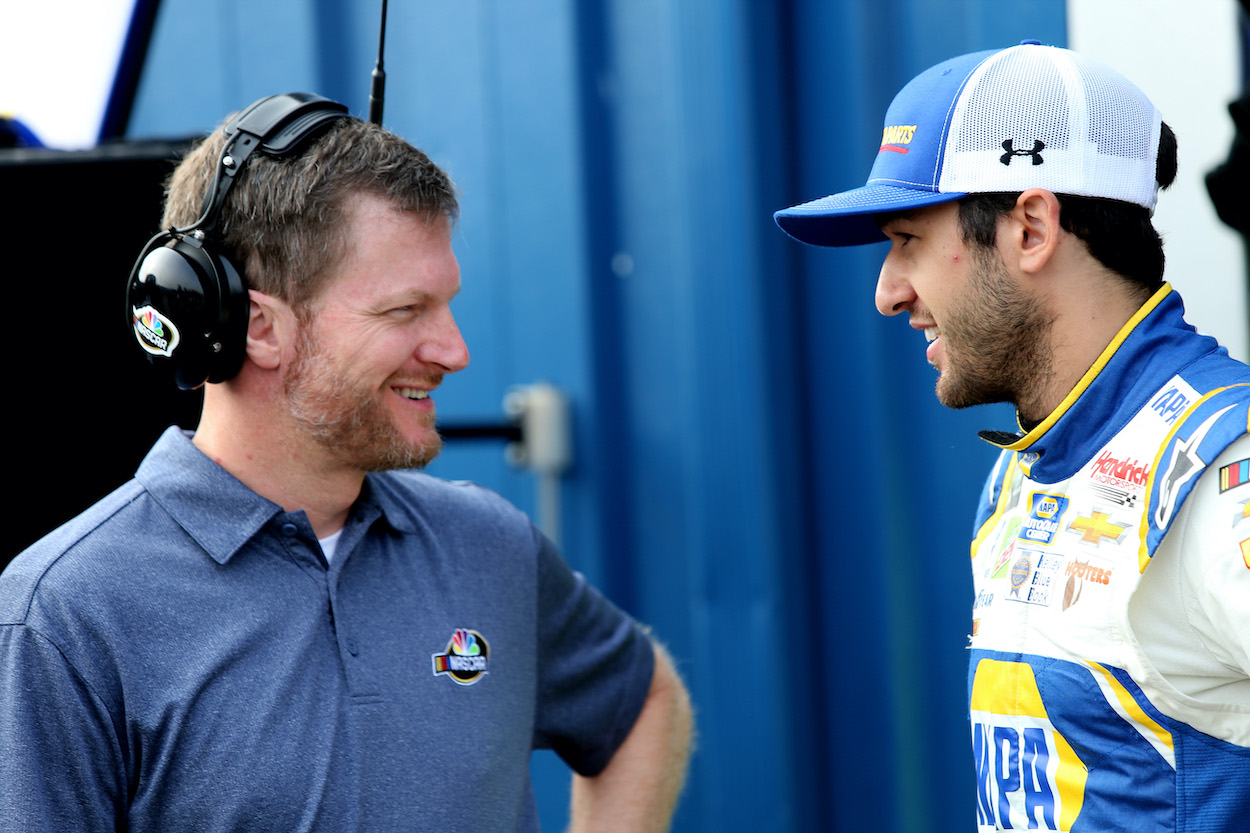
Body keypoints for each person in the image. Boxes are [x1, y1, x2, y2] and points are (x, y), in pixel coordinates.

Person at [0, 93, 692, 833]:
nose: (454, 350)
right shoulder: (64, 613)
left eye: (447, 305)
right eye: (404, 311)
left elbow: (644, 703)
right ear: (259, 328)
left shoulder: (489, 545)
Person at [775, 42, 1250, 831]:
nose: (888, 293)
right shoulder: (1026, 466)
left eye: (908, 240)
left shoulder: (1217, 471)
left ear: (1030, 228)